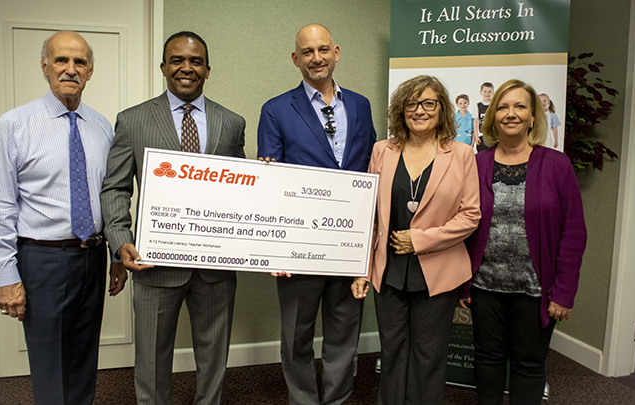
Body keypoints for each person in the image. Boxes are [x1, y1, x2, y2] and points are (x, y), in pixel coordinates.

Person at [100, 31, 246, 404]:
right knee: (150, 359)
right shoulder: (132, 121)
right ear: (164, 67)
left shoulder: (231, 123)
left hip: (215, 265)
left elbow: (242, 191)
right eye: (177, 60)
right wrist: (120, 242)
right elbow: (115, 188)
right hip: (154, 263)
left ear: (208, 70)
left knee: (214, 359)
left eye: (195, 61)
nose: (186, 68)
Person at [0, 31, 128, 404]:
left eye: (79, 62)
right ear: (44, 66)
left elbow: (108, 196)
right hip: (43, 259)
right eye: (61, 60)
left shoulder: (102, 127)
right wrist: (6, 276)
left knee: (83, 355)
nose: (70, 69)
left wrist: (114, 254)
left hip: (92, 257)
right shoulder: (14, 124)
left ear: (90, 71)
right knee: (49, 361)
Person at [257, 24, 376, 405]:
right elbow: (269, 180)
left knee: (345, 333)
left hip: (348, 243)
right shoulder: (276, 109)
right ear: (296, 59)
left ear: (336, 52)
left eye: (323, 49)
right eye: (307, 52)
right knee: (297, 335)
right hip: (298, 245)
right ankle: (304, 401)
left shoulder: (360, 105)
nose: (316, 58)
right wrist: (275, 246)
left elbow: (371, 168)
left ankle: (337, 399)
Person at [352, 75, 481, 404]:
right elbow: (369, 215)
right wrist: (362, 270)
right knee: (392, 352)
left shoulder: (462, 154)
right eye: (412, 104)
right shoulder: (383, 150)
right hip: (389, 270)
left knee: (429, 355)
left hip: (437, 272)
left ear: (441, 109)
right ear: (401, 109)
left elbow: (470, 216)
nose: (419, 111)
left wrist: (420, 240)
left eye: (428, 103)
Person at [461, 79, 586, 404]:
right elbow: (464, 227)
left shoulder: (556, 165)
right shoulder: (477, 165)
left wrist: (564, 293)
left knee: (529, 365)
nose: (510, 113)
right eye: (503, 106)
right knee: (487, 360)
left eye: (519, 106)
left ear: (533, 116)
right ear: (492, 116)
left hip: (535, 291)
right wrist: (463, 283)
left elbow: (574, 232)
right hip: (485, 287)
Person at [475, 82, 494, 152]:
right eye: (485, 91)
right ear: (481, 92)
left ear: (493, 92)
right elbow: (475, 121)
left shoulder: (494, 105)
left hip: (492, 135)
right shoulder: (478, 106)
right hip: (481, 135)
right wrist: (476, 136)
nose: (487, 94)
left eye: (489, 91)